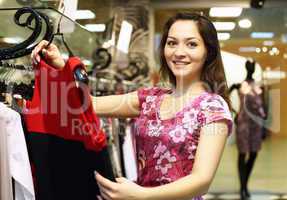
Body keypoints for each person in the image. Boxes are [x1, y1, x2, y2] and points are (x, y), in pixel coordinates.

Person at [31, 12, 233, 200]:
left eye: (191, 44)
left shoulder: (213, 107)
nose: (179, 52)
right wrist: (61, 66)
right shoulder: (151, 98)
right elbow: (88, 104)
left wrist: (142, 195)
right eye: (172, 43)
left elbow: (201, 181)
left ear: (209, 51)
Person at [229, 60, 266, 200]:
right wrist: (235, 113)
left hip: (256, 125)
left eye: (252, 67)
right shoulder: (239, 85)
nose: (250, 69)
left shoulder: (258, 87)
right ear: (246, 68)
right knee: (242, 154)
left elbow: (263, 106)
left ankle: (245, 184)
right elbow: (224, 97)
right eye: (249, 67)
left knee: (254, 154)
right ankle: (243, 187)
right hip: (244, 124)